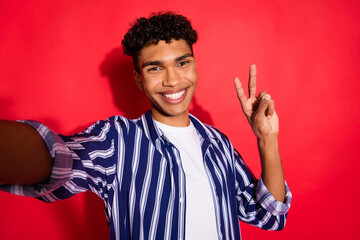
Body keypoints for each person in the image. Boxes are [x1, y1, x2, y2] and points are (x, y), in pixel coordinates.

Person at [0, 12, 291, 240]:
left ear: (195, 65)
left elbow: (270, 215)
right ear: (139, 78)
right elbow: (59, 158)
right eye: (155, 68)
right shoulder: (117, 140)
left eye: (182, 63)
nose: (173, 80)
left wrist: (268, 139)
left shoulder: (218, 144)